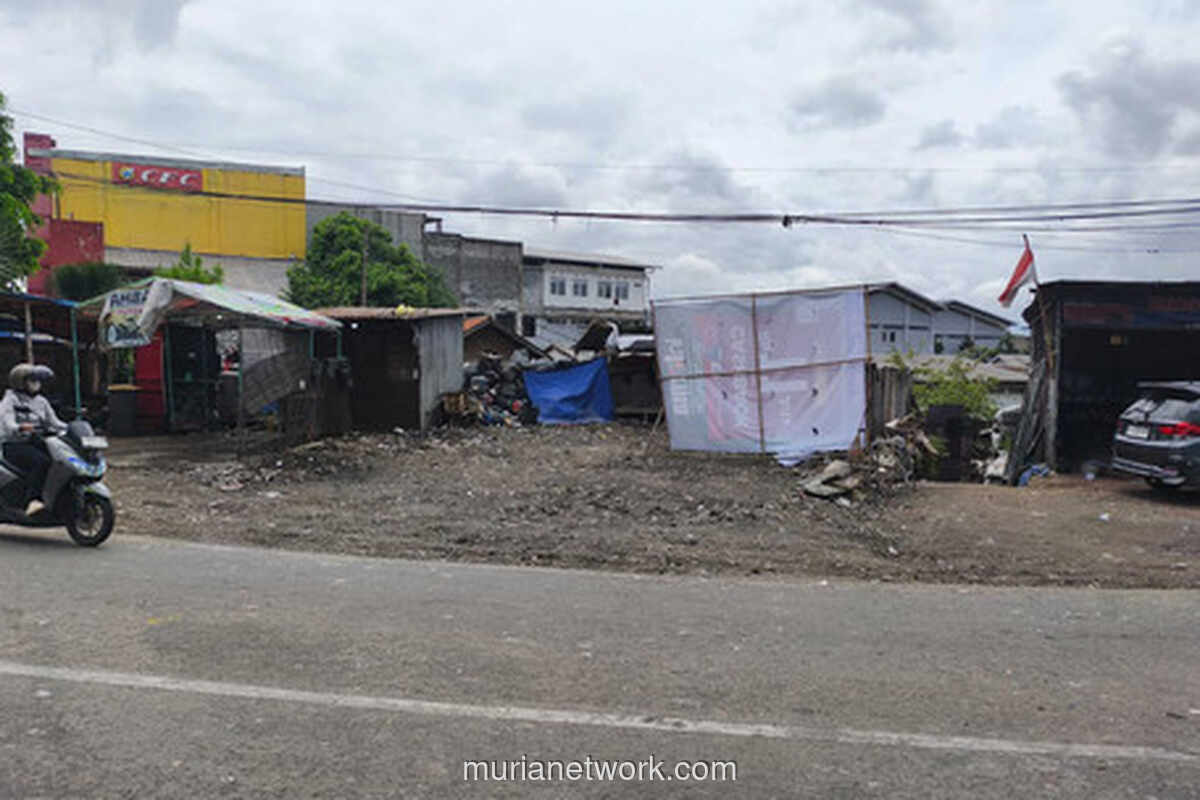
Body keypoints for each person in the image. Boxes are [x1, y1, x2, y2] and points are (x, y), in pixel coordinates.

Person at [0, 364, 68, 515]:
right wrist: (19, 427)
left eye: (37, 380)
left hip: (35, 442)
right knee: (42, 462)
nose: (36, 384)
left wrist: (71, 427)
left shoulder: (41, 401)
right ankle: (31, 501)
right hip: (14, 444)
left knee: (60, 461)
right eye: (32, 380)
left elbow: (54, 422)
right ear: (20, 382)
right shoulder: (10, 399)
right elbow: (6, 421)